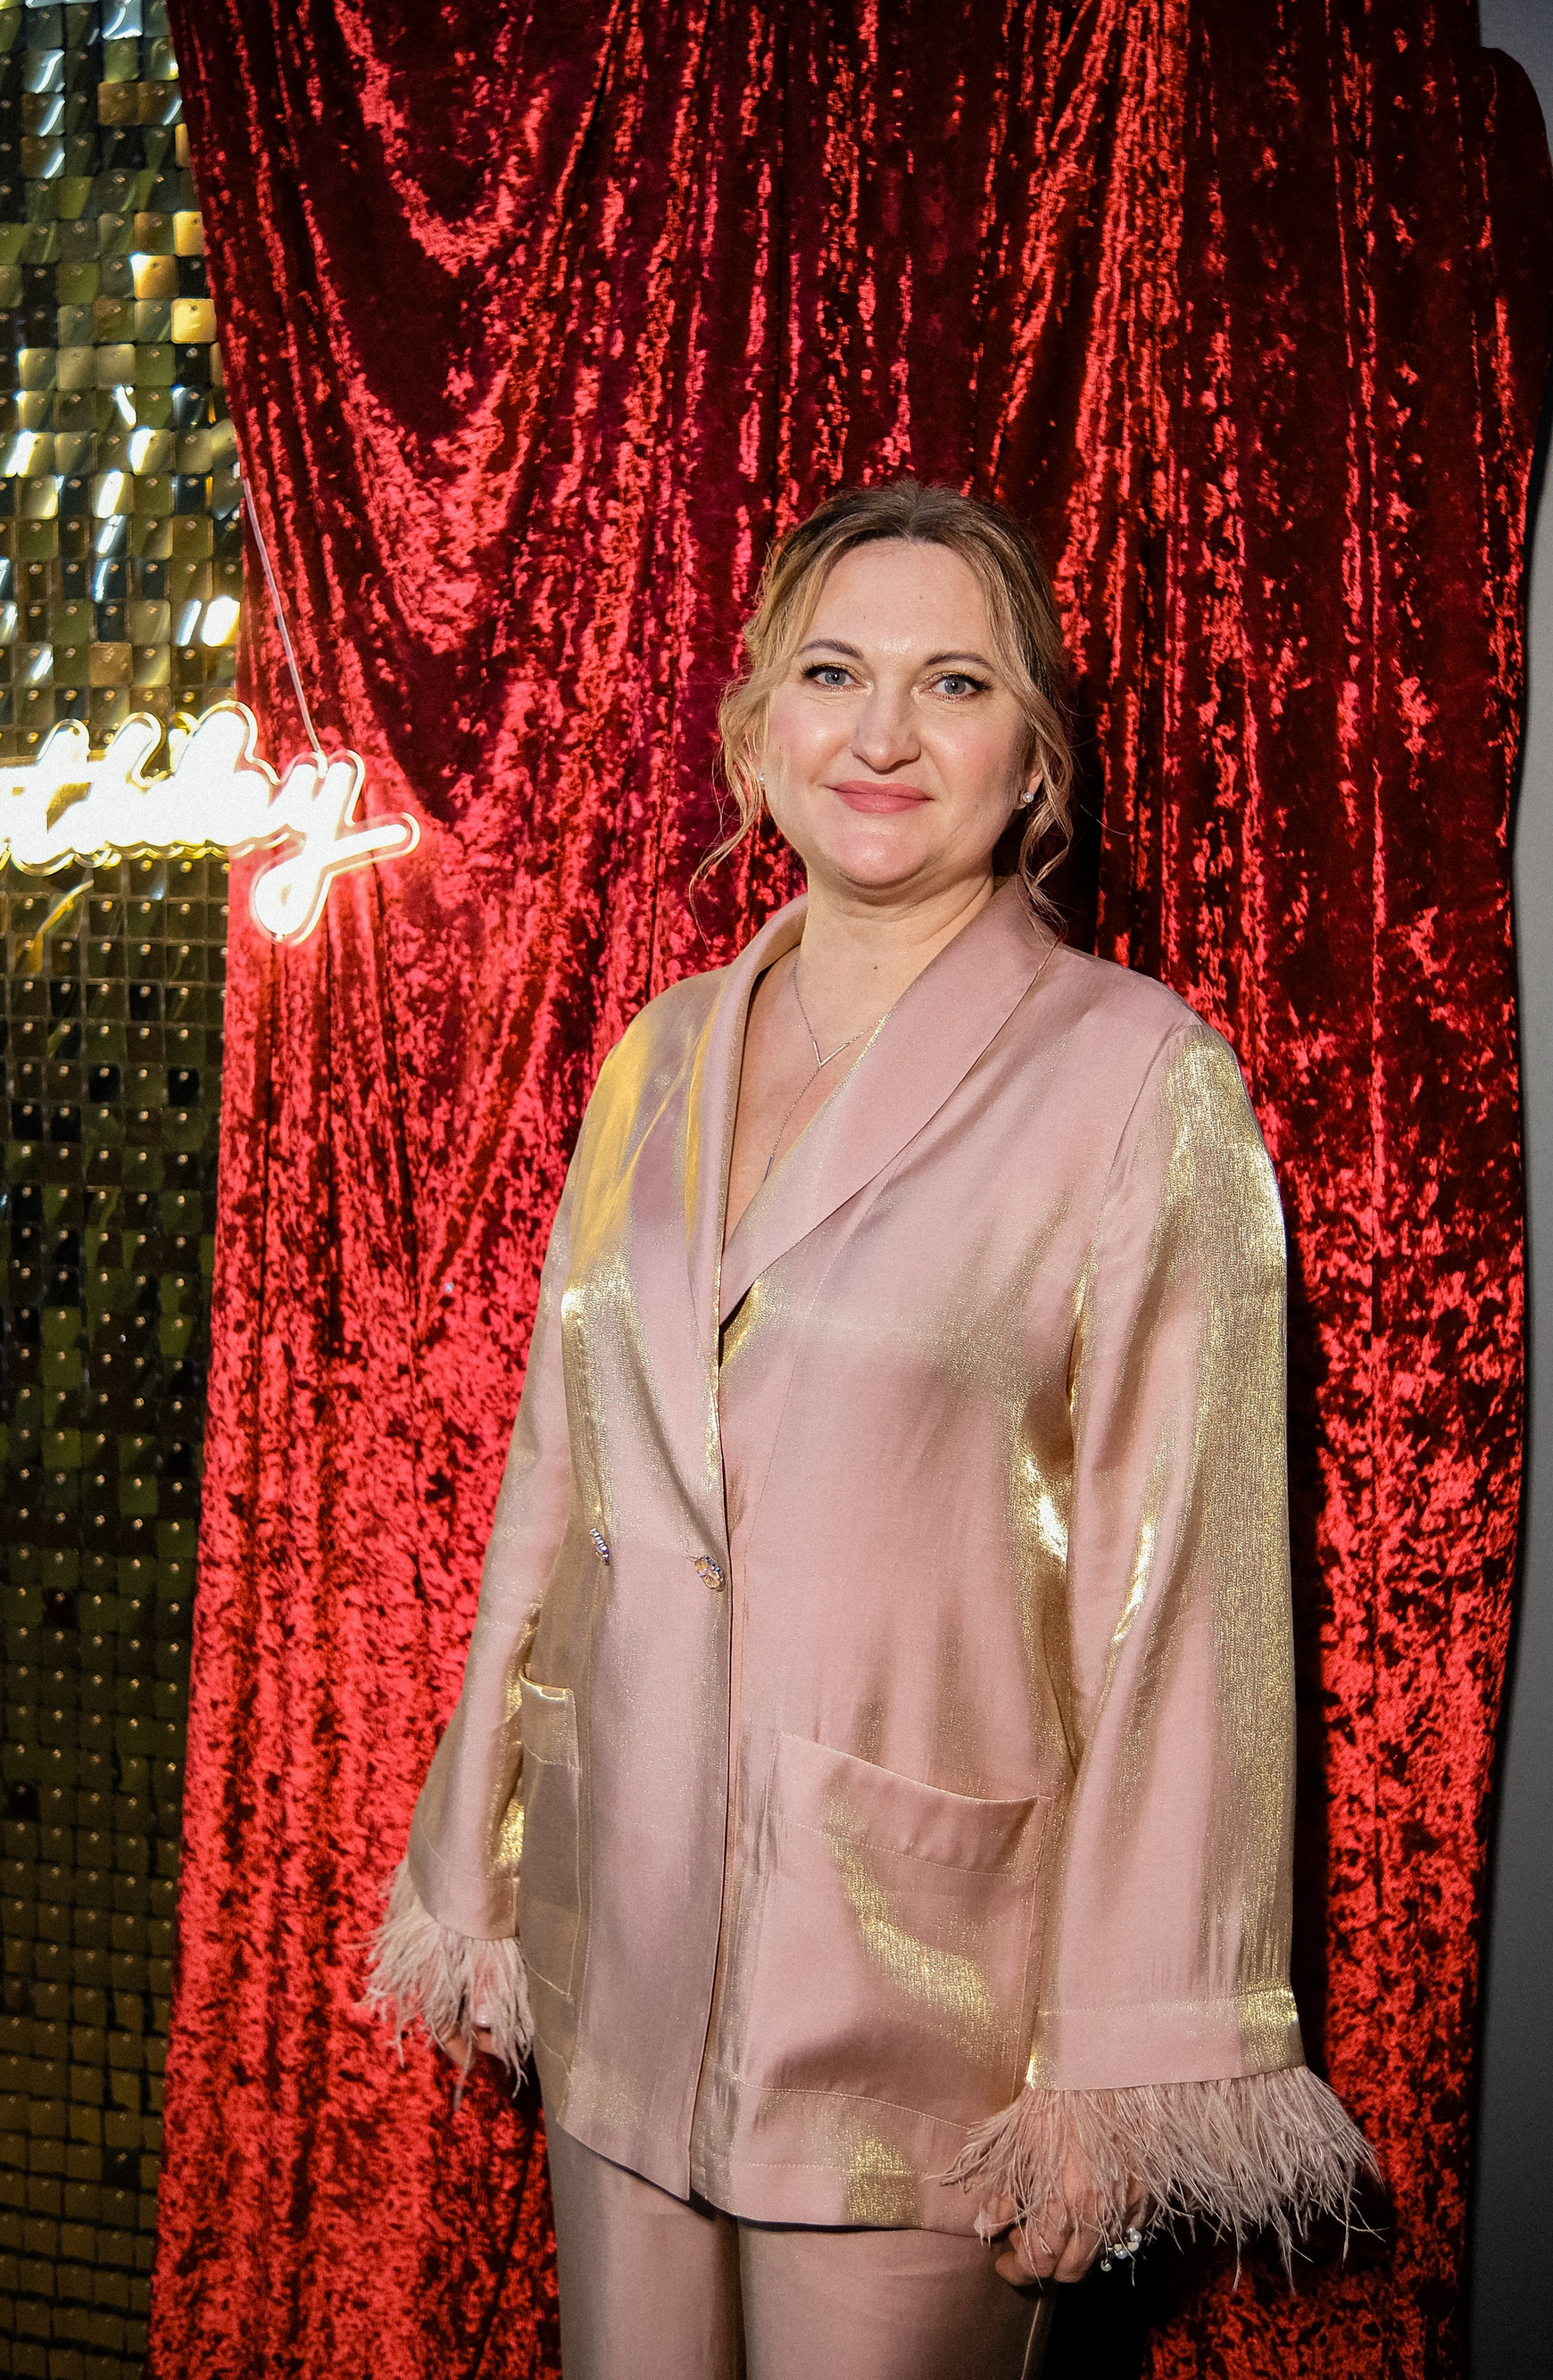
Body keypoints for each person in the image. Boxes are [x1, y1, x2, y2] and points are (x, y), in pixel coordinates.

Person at [370, 482, 1372, 2379]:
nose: (884, 734)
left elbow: (1185, 1601)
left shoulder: (1139, 1078)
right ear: (755, 728)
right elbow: (557, 1483)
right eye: (833, 674)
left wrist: (1124, 2065)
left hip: (923, 2007)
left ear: (1034, 757)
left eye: (955, 683)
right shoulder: (659, 1052)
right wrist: (481, 1870)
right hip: (619, 1933)